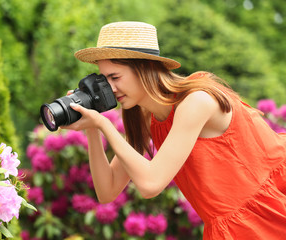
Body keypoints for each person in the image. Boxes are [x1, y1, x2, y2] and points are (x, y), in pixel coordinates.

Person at [62, 21, 286, 239]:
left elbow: (150, 184)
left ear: (145, 67)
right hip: (232, 227)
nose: (109, 88)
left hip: (272, 213)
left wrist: (104, 124)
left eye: (115, 77)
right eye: (104, 79)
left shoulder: (196, 102)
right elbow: (107, 191)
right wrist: (92, 128)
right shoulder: (144, 116)